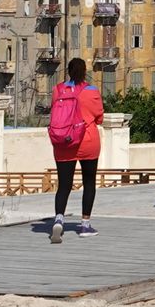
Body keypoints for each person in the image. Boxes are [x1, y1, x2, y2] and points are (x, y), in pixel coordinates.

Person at [50, 56, 104, 242]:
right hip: (87, 142)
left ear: (68, 71)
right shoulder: (91, 91)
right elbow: (99, 117)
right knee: (89, 182)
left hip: (64, 143)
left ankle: (58, 219)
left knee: (64, 185)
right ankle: (85, 225)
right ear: (85, 72)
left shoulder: (58, 90)